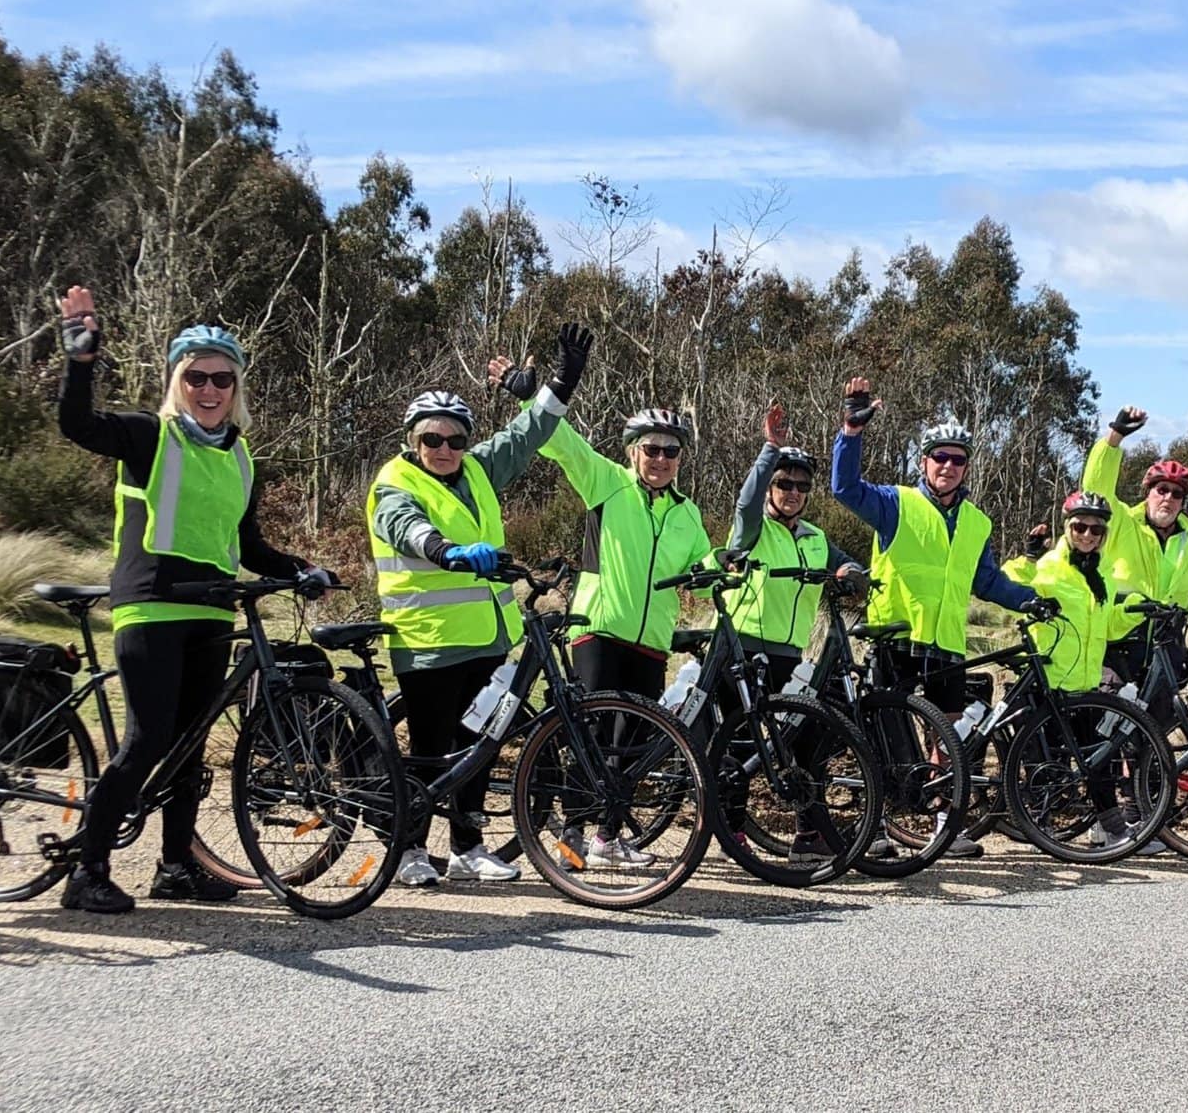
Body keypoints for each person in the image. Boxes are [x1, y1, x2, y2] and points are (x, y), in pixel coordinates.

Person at [55, 289, 332, 914]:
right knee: (150, 739)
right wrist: (79, 355)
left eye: (222, 380)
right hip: (152, 605)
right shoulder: (149, 436)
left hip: (212, 609)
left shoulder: (240, 456)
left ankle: (176, 865)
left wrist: (303, 568)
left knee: (192, 744)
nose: (210, 390)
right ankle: (86, 868)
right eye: (197, 377)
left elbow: (248, 545)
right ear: (178, 382)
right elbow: (77, 426)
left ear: (237, 388)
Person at [367, 324, 590, 888]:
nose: (445, 450)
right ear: (412, 441)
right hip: (427, 637)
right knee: (429, 748)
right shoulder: (394, 482)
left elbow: (530, 430)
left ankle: (467, 846)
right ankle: (411, 850)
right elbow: (406, 528)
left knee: (478, 745)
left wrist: (564, 380)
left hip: (488, 635)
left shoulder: (480, 470)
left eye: (455, 439)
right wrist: (449, 551)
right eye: (432, 440)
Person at [830, 376, 1045, 858]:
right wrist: (851, 430)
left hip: (946, 641)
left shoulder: (978, 522)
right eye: (939, 457)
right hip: (896, 633)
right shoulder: (895, 503)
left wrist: (1029, 600)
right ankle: (875, 828)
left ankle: (944, 827)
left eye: (957, 459)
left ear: (967, 467)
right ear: (924, 462)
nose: (948, 466)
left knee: (949, 738)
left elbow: (987, 582)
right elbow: (843, 487)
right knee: (883, 738)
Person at [530, 382, 711, 868]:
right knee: (589, 738)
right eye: (651, 449)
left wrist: (723, 571)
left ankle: (608, 837)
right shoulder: (606, 482)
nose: (661, 458)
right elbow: (561, 443)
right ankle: (572, 835)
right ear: (633, 452)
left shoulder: (687, 512)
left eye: (670, 451)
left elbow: (703, 564)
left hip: (651, 641)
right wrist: (534, 393)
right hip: (599, 629)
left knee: (630, 745)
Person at [1002, 492, 1155, 852]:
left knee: (1098, 761)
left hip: (1086, 684)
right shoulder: (1049, 565)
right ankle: (1038, 829)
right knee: (1045, 763)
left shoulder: (1101, 572)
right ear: (1067, 528)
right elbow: (1008, 583)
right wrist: (1028, 556)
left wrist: (1137, 609)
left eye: (1096, 529)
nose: (1087, 534)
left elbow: (1108, 626)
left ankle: (1114, 832)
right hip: (1051, 681)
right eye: (1080, 527)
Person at [1083, 406, 1188, 711]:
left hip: (1166, 652)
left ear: (1183, 502)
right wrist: (1114, 439)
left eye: (1176, 494)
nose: (1168, 497)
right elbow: (1094, 491)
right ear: (1148, 492)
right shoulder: (1122, 524)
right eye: (1161, 489)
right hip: (1118, 644)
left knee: (1152, 742)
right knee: (1109, 737)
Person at [724, 404, 865, 692]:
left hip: (790, 651)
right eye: (785, 484)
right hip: (741, 645)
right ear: (769, 488)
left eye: (802, 487)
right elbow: (746, 503)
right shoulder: (753, 528)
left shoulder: (815, 537)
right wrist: (771, 449)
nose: (794, 492)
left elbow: (845, 563)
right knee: (735, 734)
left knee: (783, 735)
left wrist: (851, 573)